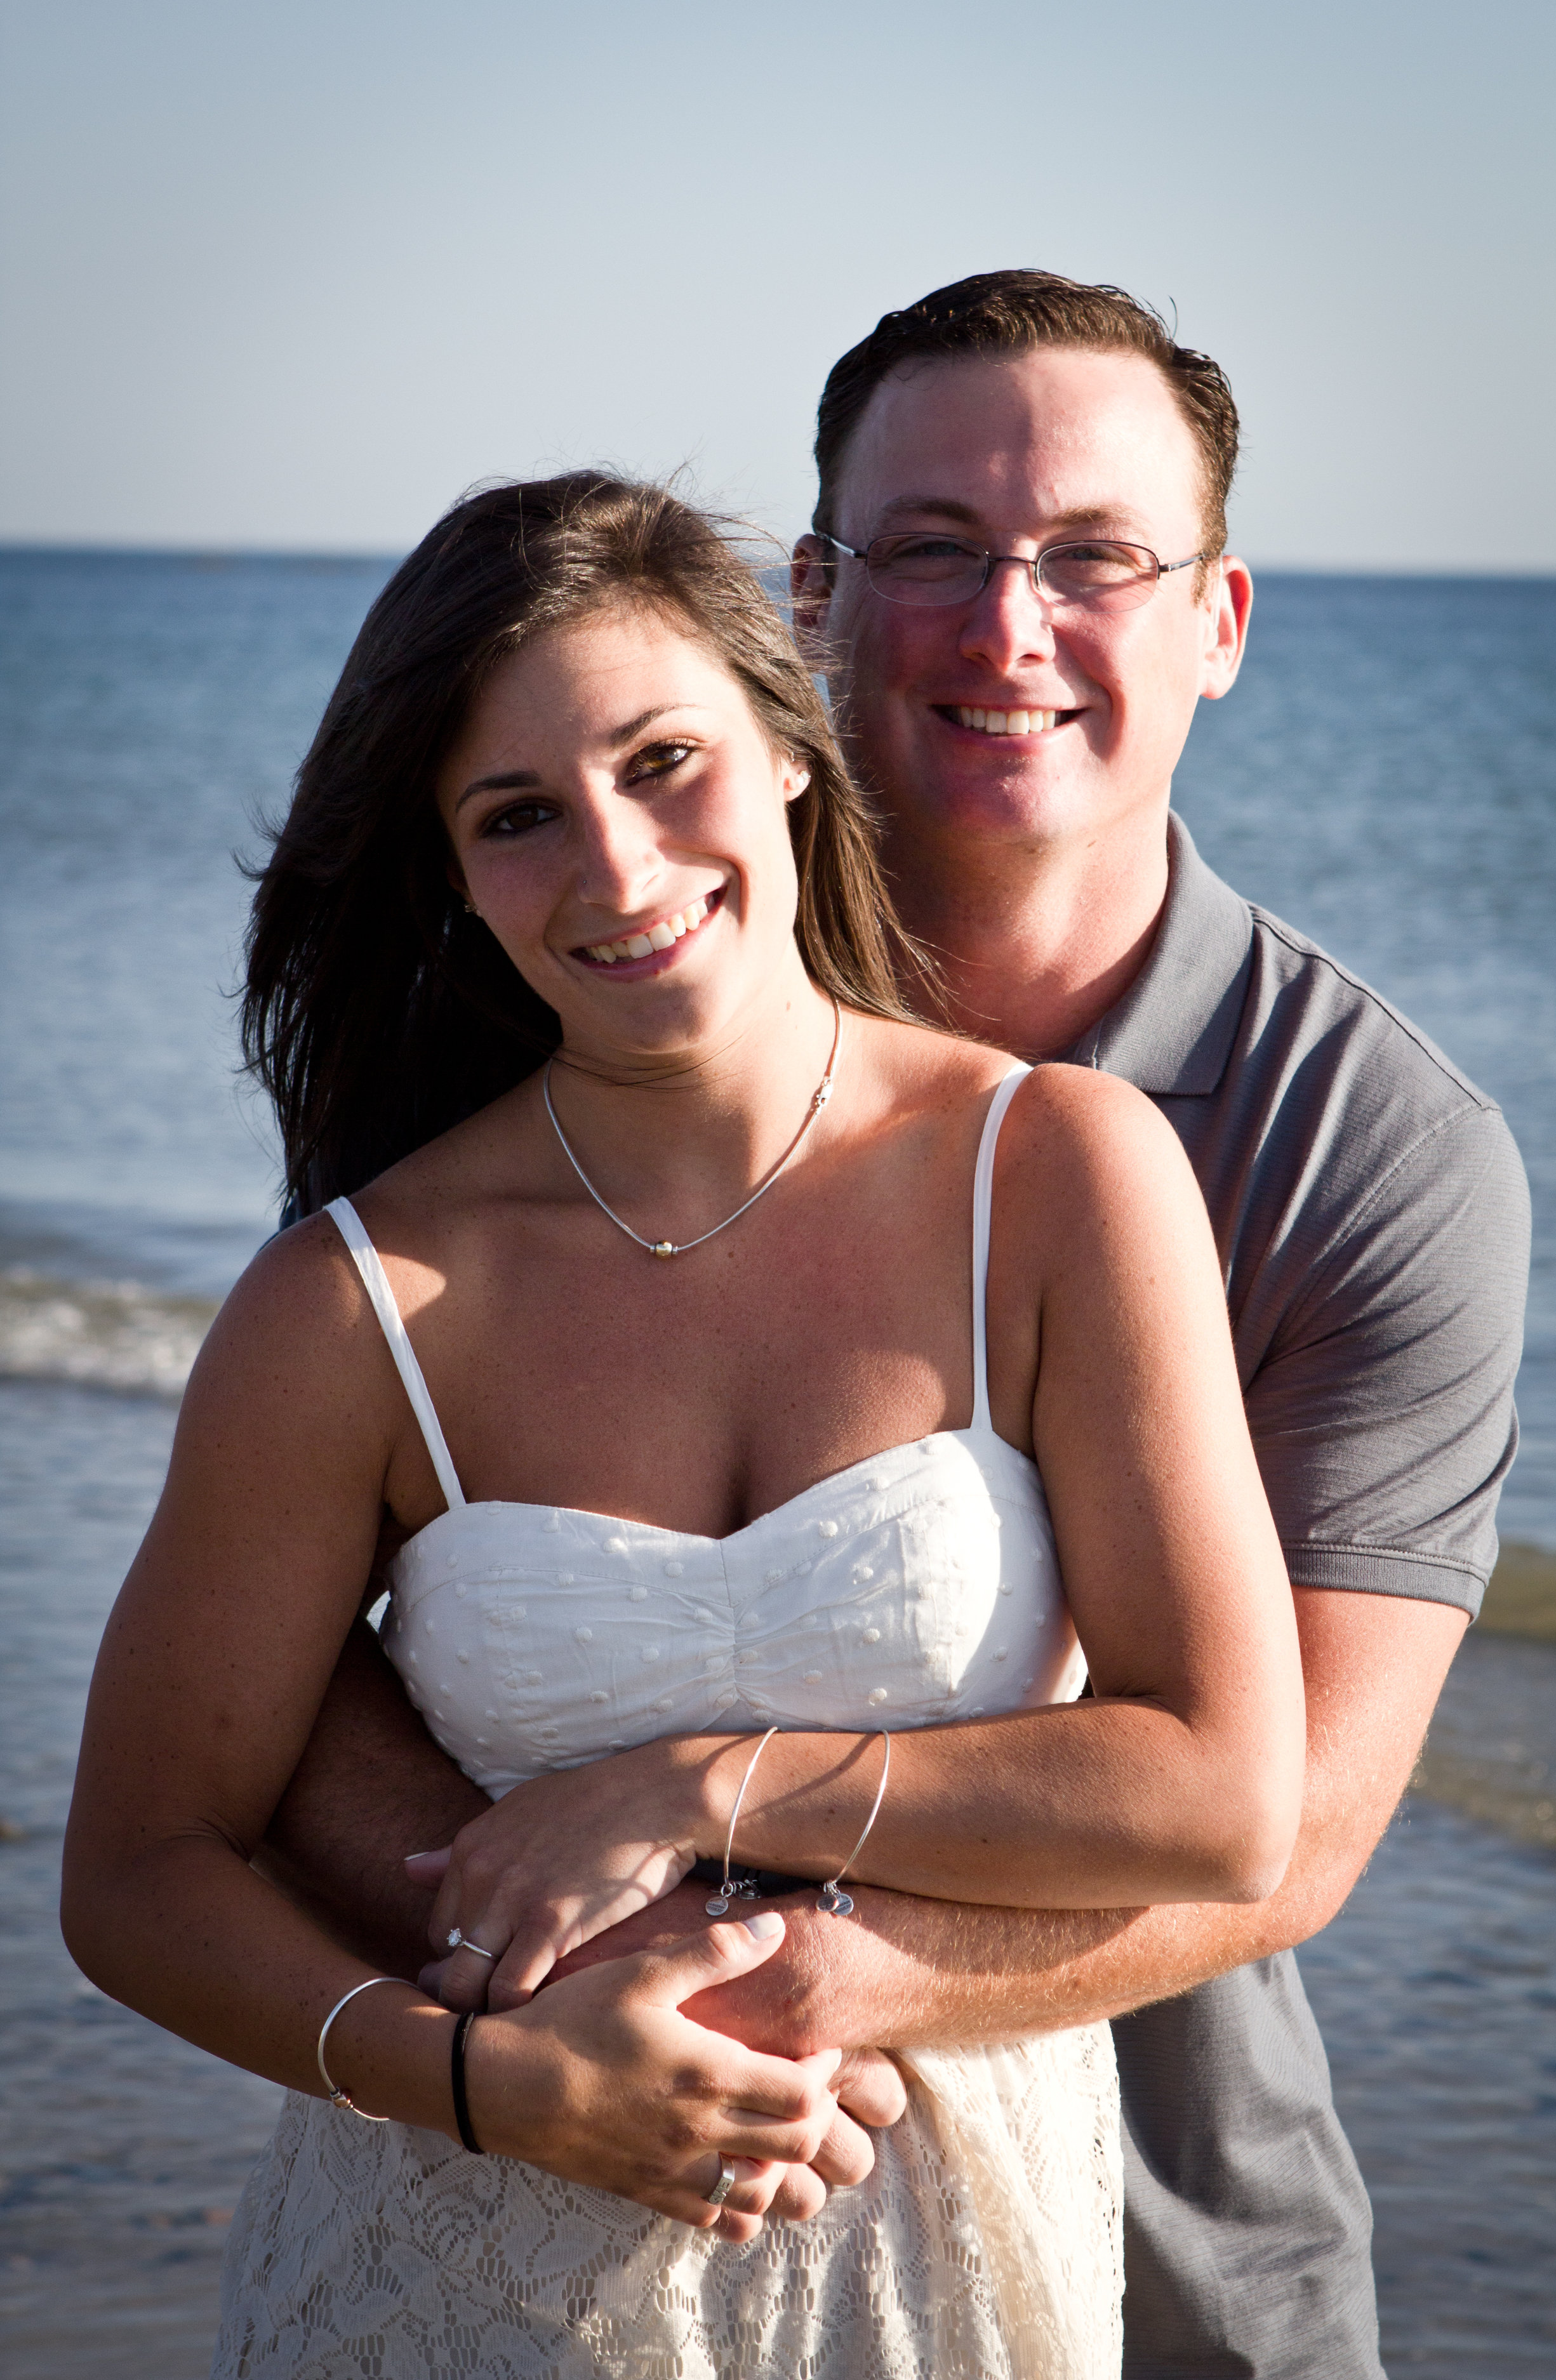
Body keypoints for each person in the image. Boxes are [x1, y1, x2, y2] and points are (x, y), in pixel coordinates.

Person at [258, 275, 1531, 2379]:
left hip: (1152, 2234)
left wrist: (786, 1958)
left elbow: (1278, 1828)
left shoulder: (1367, 1150)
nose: (1004, 626)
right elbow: (271, 1663)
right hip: (552, 2189)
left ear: (1216, 623)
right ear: (813, 601)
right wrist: (544, 2008)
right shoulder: (555, 1002)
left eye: (1093, 556)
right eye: (932, 550)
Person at [62, 473, 1309, 2379]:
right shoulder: (358, 1303)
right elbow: (143, 1869)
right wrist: (488, 2089)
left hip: (943, 2279)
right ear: (452, 874)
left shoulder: (1051, 1177)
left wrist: (706, 1776)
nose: (619, 871)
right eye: (517, 817)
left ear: (791, 747)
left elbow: (1223, 1794)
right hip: (458, 2283)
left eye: (664, 762)